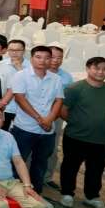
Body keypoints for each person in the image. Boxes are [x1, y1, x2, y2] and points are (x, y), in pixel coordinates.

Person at [58, 56, 105, 208]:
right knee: (70, 166)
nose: (101, 72)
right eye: (97, 68)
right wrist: (77, 123)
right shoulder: (75, 88)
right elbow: (63, 110)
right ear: (88, 69)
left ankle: (92, 197)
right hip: (76, 136)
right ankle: (67, 194)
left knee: (96, 169)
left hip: (102, 138)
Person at [10, 46, 63, 208]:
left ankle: (36, 194)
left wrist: (50, 119)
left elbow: (59, 100)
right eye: (38, 57)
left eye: (47, 57)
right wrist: (40, 119)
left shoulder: (56, 79)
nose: (43, 61)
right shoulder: (21, 75)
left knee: (40, 164)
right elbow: (20, 98)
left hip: (47, 130)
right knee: (18, 161)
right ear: (31, 59)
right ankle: (13, 195)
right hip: (25, 128)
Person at [43, 45, 75, 191]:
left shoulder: (66, 77)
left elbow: (65, 101)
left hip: (56, 116)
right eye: (52, 57)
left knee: (52, 148)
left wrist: (53, 115)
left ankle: (47, 177)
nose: (55, 60)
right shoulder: (35, 72)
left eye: (59, 57)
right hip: (33, 115)